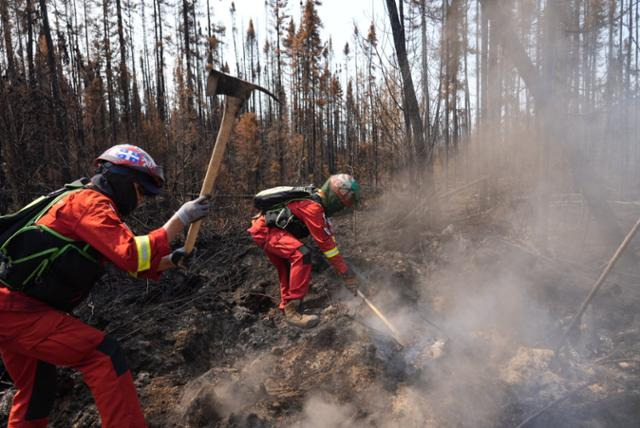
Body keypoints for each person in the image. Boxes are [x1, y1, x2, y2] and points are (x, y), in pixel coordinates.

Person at [0, 144, 209, 428]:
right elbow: (132, 254)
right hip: (16, 310)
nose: (143, 200)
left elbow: (129, 262)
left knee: (38, 389)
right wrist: (180, 220)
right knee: (103, 356)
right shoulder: (90, 204)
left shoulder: (84, 201)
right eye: (142, 191)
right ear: (123, 180)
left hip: (18, 308)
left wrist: (172, 261)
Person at [248, 173, 361, 328]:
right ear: (335, 199)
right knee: (301, 254)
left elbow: (329, 238)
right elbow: (326, 244)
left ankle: (288, 309)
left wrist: (342, 268)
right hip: (266, 230)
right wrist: (345, 273)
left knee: (288, 267)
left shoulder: (316, 203)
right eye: (342, 204)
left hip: (267, 229)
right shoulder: (313, 207)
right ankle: (293, 310)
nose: (341, 209)